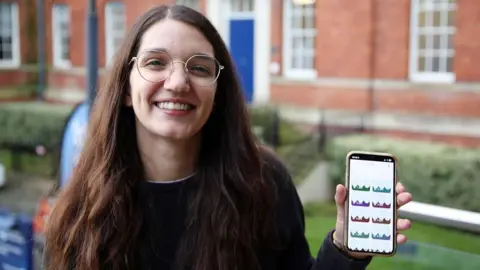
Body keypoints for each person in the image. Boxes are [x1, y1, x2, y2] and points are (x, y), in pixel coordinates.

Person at [43, 4, 413, 270]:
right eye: (156, 62)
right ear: (126, 87)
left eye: (199, 67)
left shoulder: (265, 183)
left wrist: (345, 249)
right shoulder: (80, 207)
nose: (177, 82)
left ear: (218, 92)